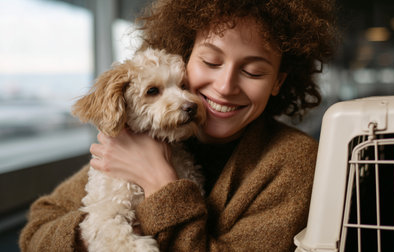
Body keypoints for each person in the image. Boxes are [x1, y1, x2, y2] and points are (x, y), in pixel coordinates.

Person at [19, 0, 338, 251]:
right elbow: (36, 231)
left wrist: (158, 180)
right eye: (211, 62)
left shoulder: (296, 162)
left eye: (253, 72)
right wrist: (103, 235)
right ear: (185, 59)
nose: (226, 86)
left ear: (278, 82)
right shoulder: (137, 141)